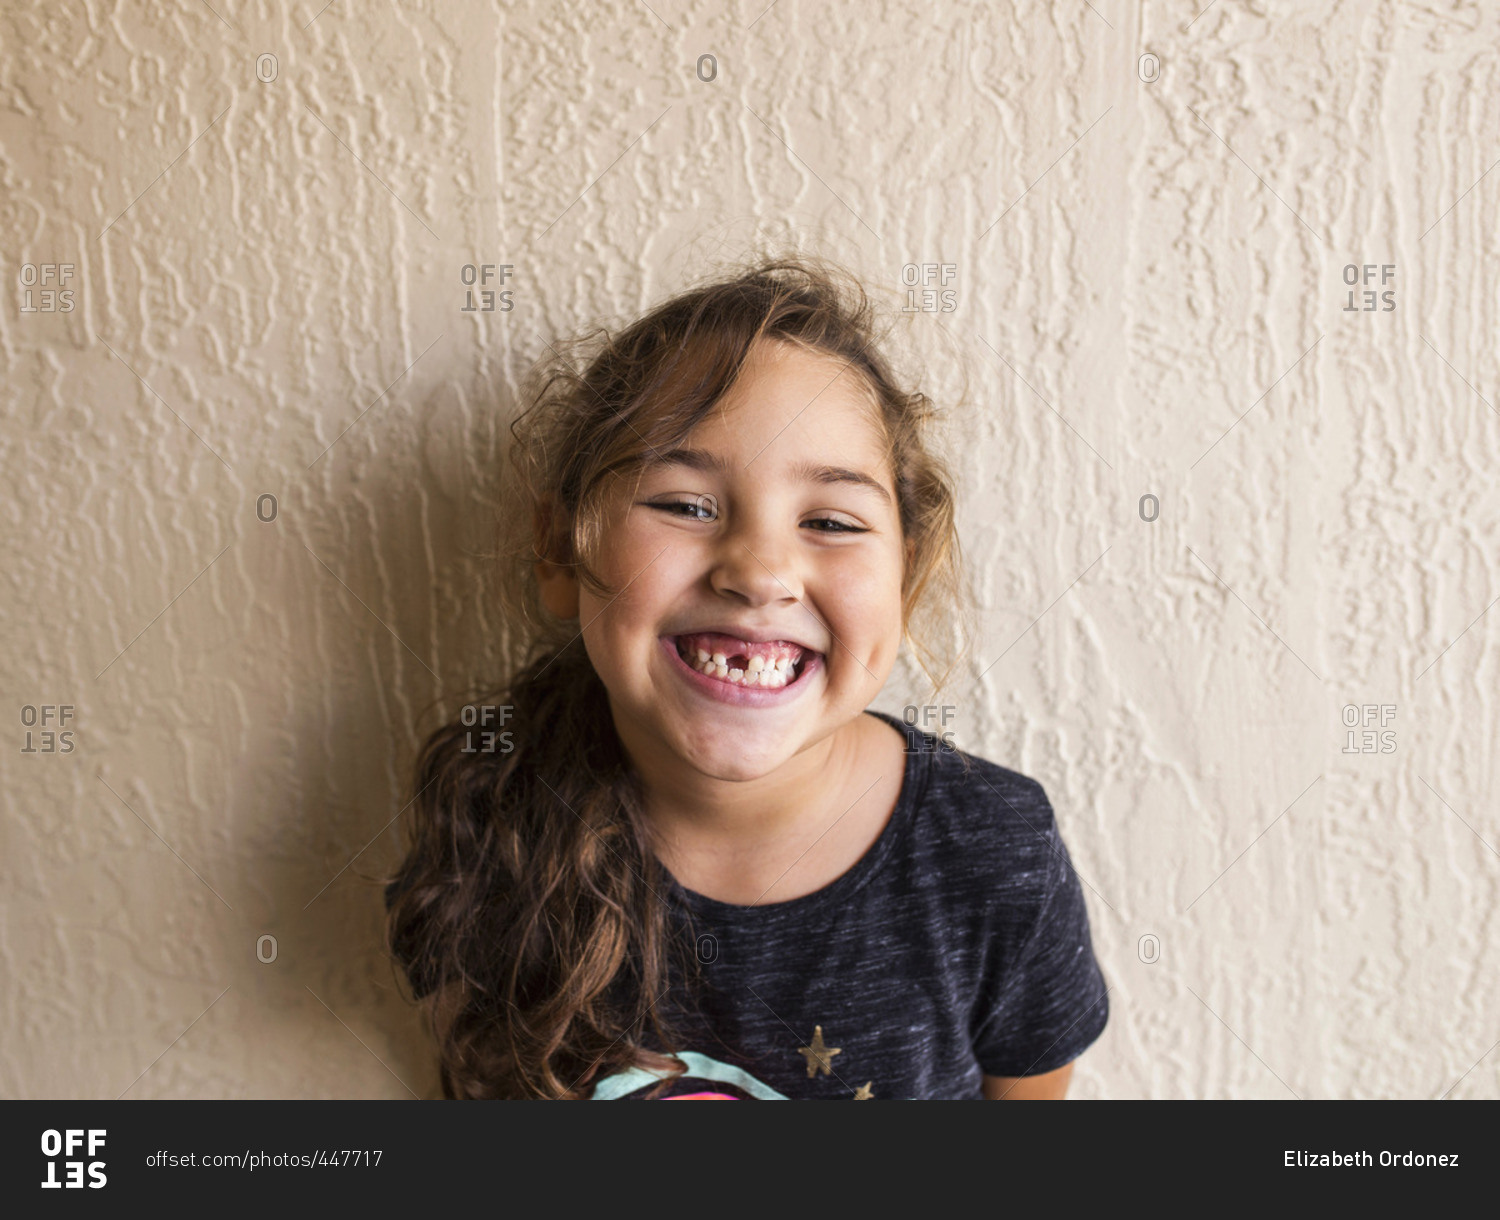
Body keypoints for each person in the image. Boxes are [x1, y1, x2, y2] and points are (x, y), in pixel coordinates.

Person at [384, 256, 1108, 1099]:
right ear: (559, 549)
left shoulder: (993, 855)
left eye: (831, 522)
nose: (761, 572)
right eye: (686, 505)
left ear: (905, 582)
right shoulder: (488, 824)